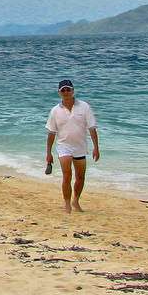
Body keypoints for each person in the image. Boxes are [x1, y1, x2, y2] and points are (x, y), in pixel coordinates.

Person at [45, 78, 100, 213]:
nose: (66, 92)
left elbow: (92, 128)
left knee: (80, 177)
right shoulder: (55, 111)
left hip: (80, 146)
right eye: (63, 90)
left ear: (73, 91)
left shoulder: (84, 107)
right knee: (67, 175)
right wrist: (48, 153)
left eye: (68, 89)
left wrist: (96, 148)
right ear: (59, 93)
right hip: (63, 146)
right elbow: (51, 133)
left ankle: (76, 201)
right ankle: (67, 204)